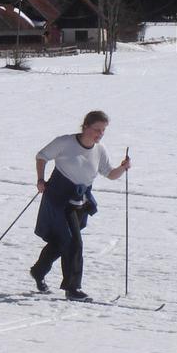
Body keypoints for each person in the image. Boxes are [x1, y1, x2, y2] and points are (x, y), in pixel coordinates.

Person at [30, 111, 130, 301]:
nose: (99, 134)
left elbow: (110, 174)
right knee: (74, 241)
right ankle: (72, 288)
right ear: (85, 127)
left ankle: (38, 272)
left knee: (61, 242)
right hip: (57, 198)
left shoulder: (99, 150)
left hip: (80, 201)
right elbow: (41, 156)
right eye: (96, 129)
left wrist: (123, 168)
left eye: (103, 131)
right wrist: (40, 179)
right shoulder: (65, 142)